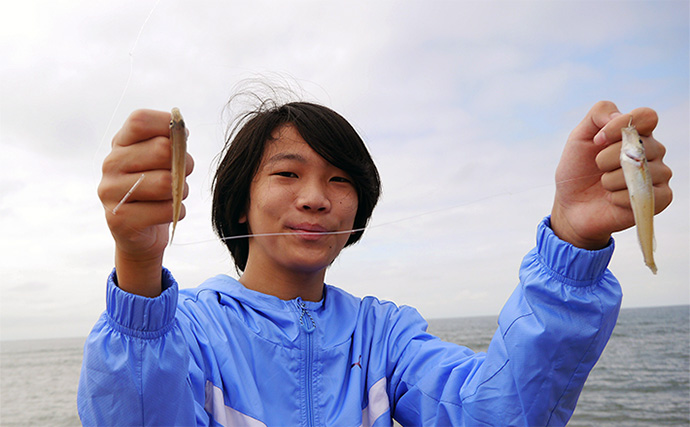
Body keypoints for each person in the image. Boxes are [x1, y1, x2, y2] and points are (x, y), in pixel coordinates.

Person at [78, 99, 673, 426]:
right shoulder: (189, 333)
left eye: (339, 180)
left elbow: (500, 414)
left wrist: (572, 242)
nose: (315, 196)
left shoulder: (386, 335)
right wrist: (137, 262)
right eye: (287, 174)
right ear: (238, 205)